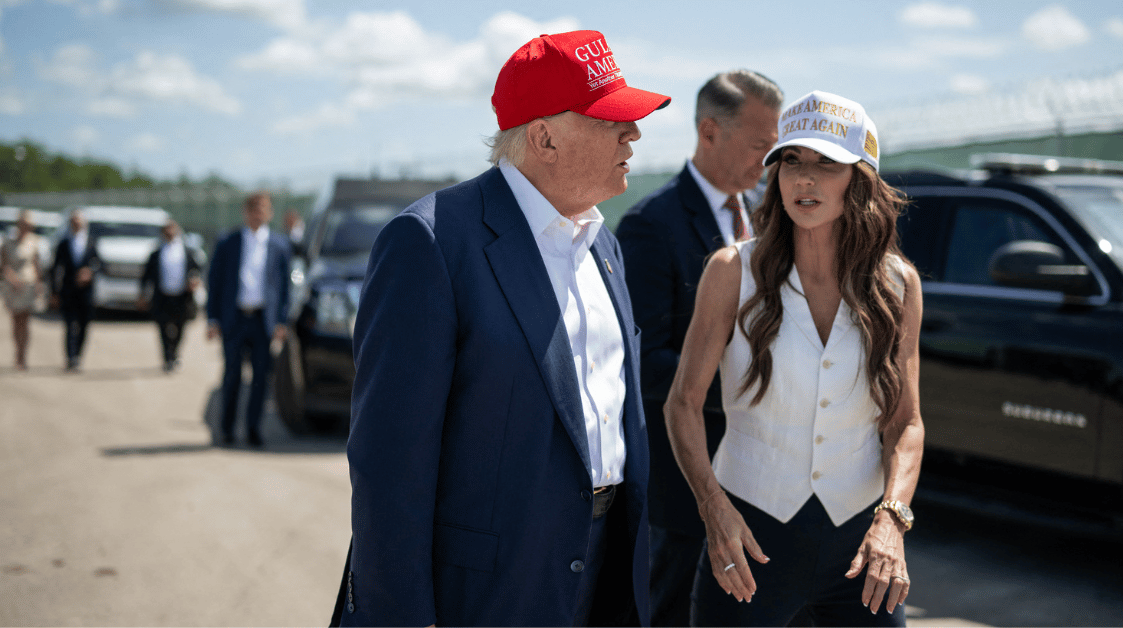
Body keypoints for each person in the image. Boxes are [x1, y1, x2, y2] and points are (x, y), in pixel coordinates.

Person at [337, 30, 669, 627]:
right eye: (610, 120)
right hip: (489, 592)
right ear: (544, 137)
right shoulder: (432, 243)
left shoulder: (603, 246)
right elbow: (389, 469)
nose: (634, 135)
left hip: (606, 577)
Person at [664, 90, 924, 626]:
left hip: (861, 548)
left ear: (860, 178)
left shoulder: (898, 285)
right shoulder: (731, 271)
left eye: (826, 164)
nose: (804, 180)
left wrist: (892, 522)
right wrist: (714, 510)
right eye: (791, 162)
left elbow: (905, 422)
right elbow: (683, 405)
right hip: (751, 543)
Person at [615, 69, 782, 627]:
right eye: (760, 144)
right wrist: (747, 383)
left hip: (767, 474)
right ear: (710, 131)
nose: (768, 160)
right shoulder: (650, 225)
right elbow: (641, 361)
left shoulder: (772, 217)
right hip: (687, 483)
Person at [205, 192, 291, 448]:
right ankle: (227, 429)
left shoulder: (279, 245)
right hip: (235, 319)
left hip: (263, 321)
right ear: (245, 212)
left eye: (263, 209)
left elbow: (284, 287)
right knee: (231, 375)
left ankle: (253, 429)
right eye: (253, 209)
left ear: (270, 213)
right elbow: (215, 282)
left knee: (260, 378)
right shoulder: (228, 242)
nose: (258, 213)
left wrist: (281, 321)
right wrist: (212, 319)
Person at [139, 219, 202, 372]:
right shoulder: (156, 253)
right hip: (162, 297)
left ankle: (175, 353)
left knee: (180, 327)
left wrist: (194, 280)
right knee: (162, 327)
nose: (170, 233)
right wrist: (142, 294)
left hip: (182, 297)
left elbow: (198, 269)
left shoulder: (188, 251)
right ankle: (167, 357)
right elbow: (146, 276)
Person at [50, 209, 100, 372]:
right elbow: (55, 269)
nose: (77, 225)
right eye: (74, 222)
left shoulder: (91, 242)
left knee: (84, 325)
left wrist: (90, 273)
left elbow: (100, 264)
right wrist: (54, 292)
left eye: (80, 222)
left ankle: (78, 355)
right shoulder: (63, 243)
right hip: (68, 291)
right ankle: (71, 358)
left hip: (86, 292)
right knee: (70, 325)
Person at [1, 209, 45, 370]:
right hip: (13, 285)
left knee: (25, 321)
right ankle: (17, 351)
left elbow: (37, 265)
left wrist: (39, 284)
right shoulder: (8, 241)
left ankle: (22, 354)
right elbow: (4, 265)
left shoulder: (34, 242)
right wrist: (12, 279)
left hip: (28, 284)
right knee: (16, 321)